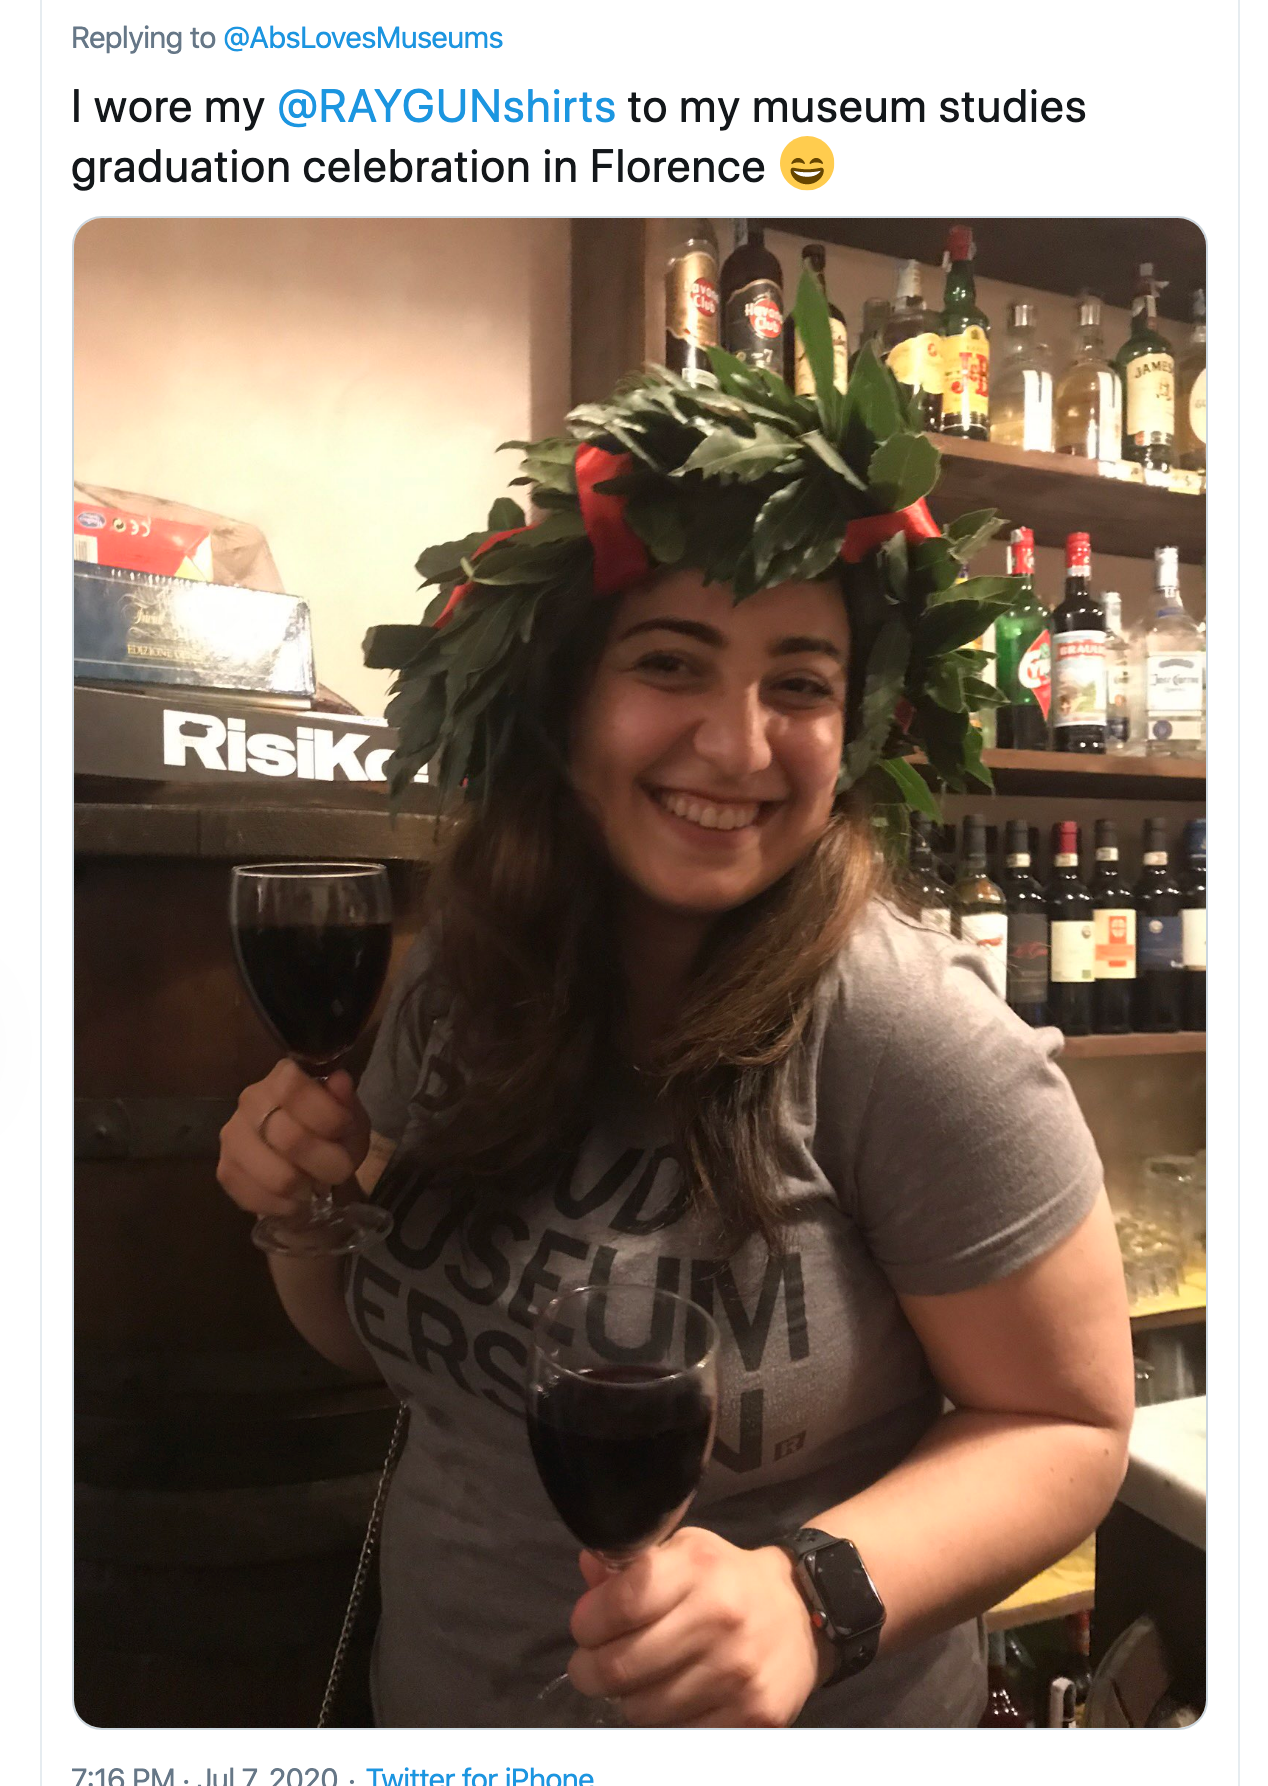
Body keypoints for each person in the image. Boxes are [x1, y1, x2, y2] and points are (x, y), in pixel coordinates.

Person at [216, 283, 1134, 1728]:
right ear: (565, 698)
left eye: (800, 684)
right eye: (669, 664)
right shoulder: (465, 973)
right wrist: (300, 1208)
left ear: (853, 728)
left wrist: (812, 1597)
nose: (739, 744)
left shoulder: (911, 1032)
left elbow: (1069, 1423)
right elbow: (389, 1346)